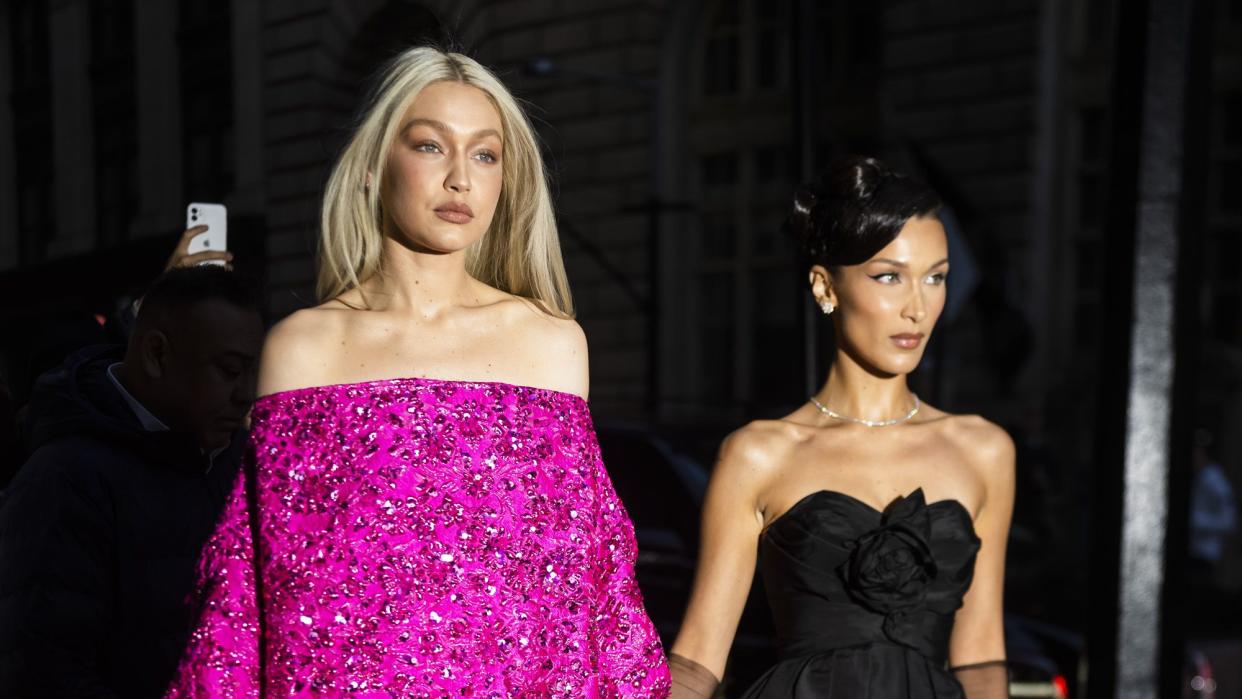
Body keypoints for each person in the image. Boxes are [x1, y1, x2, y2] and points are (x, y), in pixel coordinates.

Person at [166, 47, 669, 697]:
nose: (461, 177)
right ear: (374, 166)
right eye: (432, 146)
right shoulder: (305, 348)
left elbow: (582, 591)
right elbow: (262, 600)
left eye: (486, 155)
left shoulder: (550, 343)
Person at [667, 157, 1015, 699]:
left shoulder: (983, 449)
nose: (918, 308)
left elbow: (982, 661)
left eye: (936, 278)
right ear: (826, 288)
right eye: (889, 277)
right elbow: (696, 661)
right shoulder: (759, 454)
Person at [0, 266, 265, 698]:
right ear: (156, 354)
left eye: (252, 370)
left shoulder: (235, 457)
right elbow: (44, 672)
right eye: (229, 370)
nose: (246, 393)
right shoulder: (63, 481)